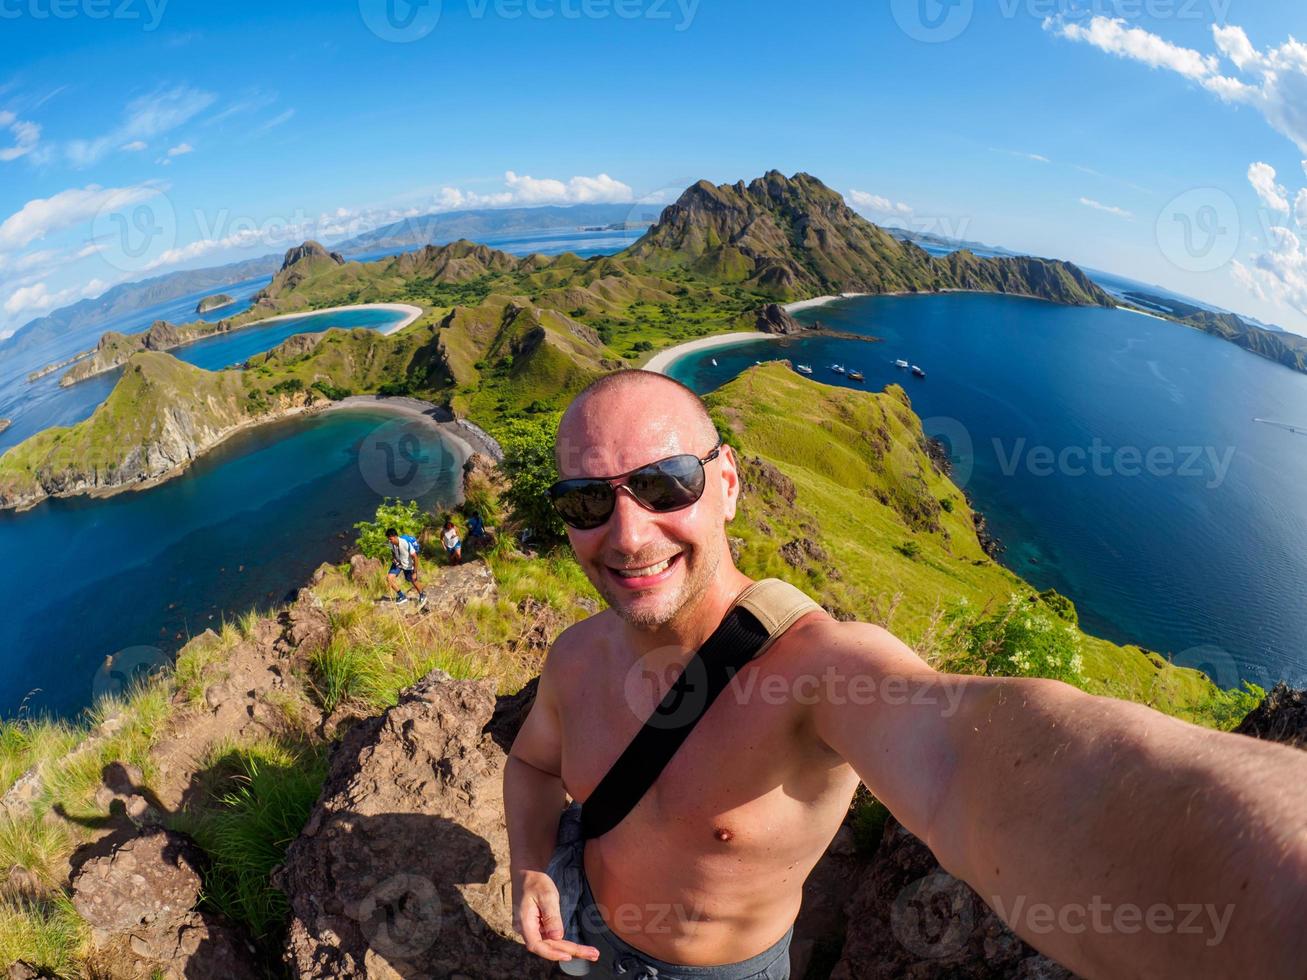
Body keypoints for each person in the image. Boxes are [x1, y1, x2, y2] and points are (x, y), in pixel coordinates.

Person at [504, 369, 1307, 980]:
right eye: (586, 502)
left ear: (728, 484)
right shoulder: (574, 655)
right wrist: (531, 865)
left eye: (661, 483)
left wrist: (1270, 889)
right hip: (578, 928)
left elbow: (974, 760)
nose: (627, 534)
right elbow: (534, 763)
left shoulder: (822, 672)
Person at [385, 527, 427, 607]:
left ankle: (422, 594)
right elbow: (393, 551)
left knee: (413, 580)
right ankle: (402, 596)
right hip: (398, 563)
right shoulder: (392, 544)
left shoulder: (404, 543)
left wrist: (414, 572)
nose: (389, 541)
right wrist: (394, 558)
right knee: (389, 578)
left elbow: (415, 557)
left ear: (395, 536)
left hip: (408, 564)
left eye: (390, 539)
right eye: (388, 539)